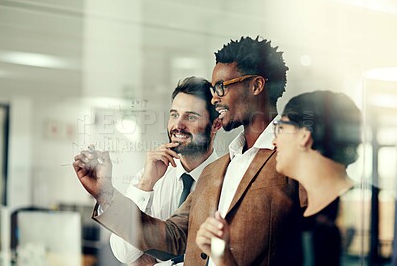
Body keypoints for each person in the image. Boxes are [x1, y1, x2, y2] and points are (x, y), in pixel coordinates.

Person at [74, 36, 306, 266]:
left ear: (256, 86)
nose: (215, 98)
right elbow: (174, 236)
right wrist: (105, 194)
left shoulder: (295, 156)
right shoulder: (215, 172)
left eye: (221, 87)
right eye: (174, 114)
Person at [114, 76, 221, 265]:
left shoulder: (228, 179)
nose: (178, 125)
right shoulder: (148, 177)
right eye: (174, 115)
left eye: (191, 117)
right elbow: (123, 253)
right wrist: (146, 184)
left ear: (216, 125)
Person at [272, 91, 361, 266]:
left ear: (305, 135)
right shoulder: (292, 222)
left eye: (281, 128)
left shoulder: (370, 207)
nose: (274, 141)